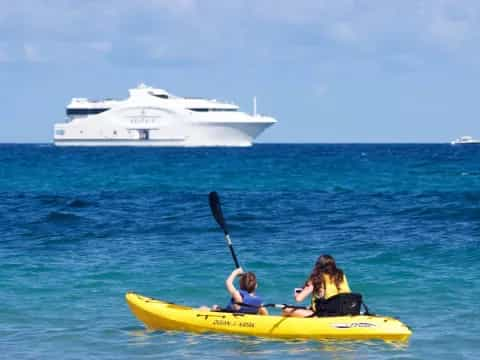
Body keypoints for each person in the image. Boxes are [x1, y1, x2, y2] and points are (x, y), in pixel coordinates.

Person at [283, 254, 351, 317]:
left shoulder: (316, 278)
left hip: (321, 315)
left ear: (318, 266)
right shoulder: (340, 275)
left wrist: (297, 295)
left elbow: (299, 299)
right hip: (340, 311)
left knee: (286, 309)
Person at [201, 267, 268, 315]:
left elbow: (228, 282)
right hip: (248, 317)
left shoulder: (237, 295)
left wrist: (236, 272)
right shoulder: (259, 301)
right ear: (256, 286)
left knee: (211, 307)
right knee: (262, 309)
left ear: (240, 284)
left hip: (229, 316)